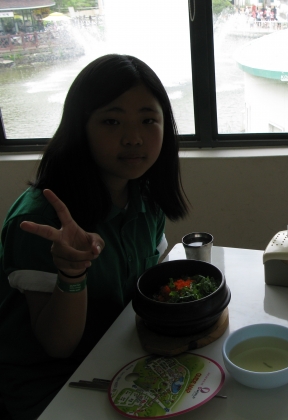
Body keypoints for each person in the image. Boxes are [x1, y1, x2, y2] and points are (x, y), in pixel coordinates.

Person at [0, 54, 189, 419]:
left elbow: (146, 291)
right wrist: (72, 274)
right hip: (51, 386)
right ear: (80, 127)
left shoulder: (144, 197)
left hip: (119, 358)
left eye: (148, 120)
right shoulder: (39, 220)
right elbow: (57, 346)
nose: (133, 138)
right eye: (111, 121)